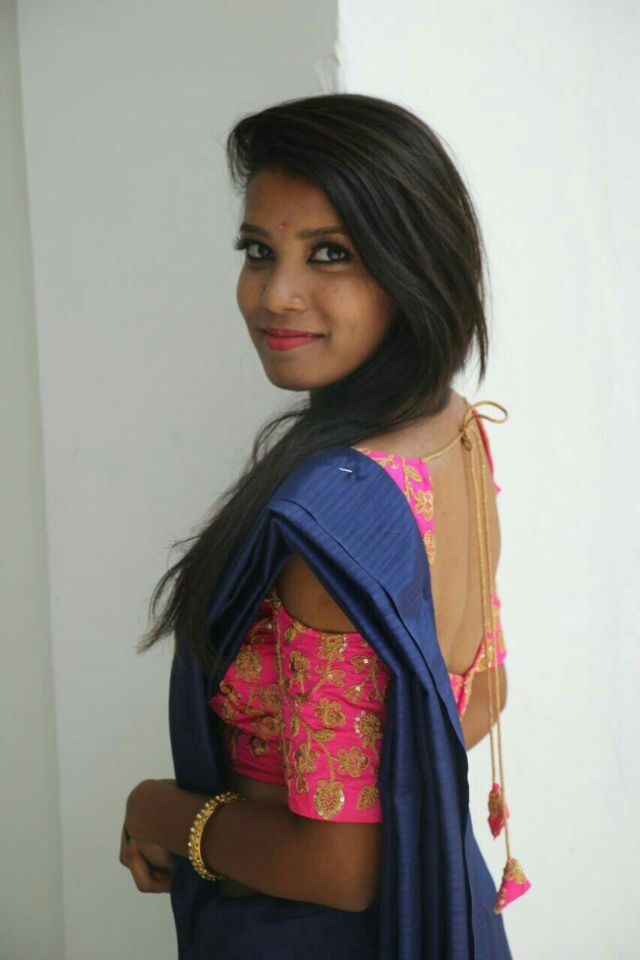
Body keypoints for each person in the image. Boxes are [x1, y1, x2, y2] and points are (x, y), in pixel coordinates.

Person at [119, 93, 530, 958]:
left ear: (414, 266)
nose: (276, 294)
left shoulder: (331, 521)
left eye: (331, 254)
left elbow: (343, 869)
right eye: (258, 251)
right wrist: (384, 785)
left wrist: (160, 813)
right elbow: (480, 694)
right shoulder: (454, 430)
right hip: (446, 902)